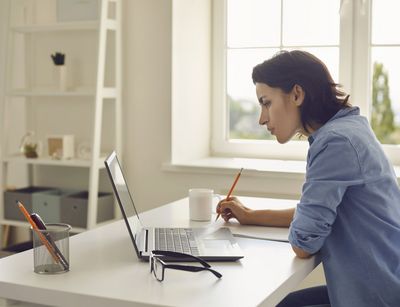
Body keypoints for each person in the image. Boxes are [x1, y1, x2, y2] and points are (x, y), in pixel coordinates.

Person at [216, 50, 400, 307]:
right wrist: (250, 214)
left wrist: (304, 223)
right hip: (385, 281)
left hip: (377, 297)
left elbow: (304, 243)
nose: (261, 118)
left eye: (266, 102)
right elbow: (317, 215)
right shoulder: (351, 127)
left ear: (297, 94)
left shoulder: (335, 143)